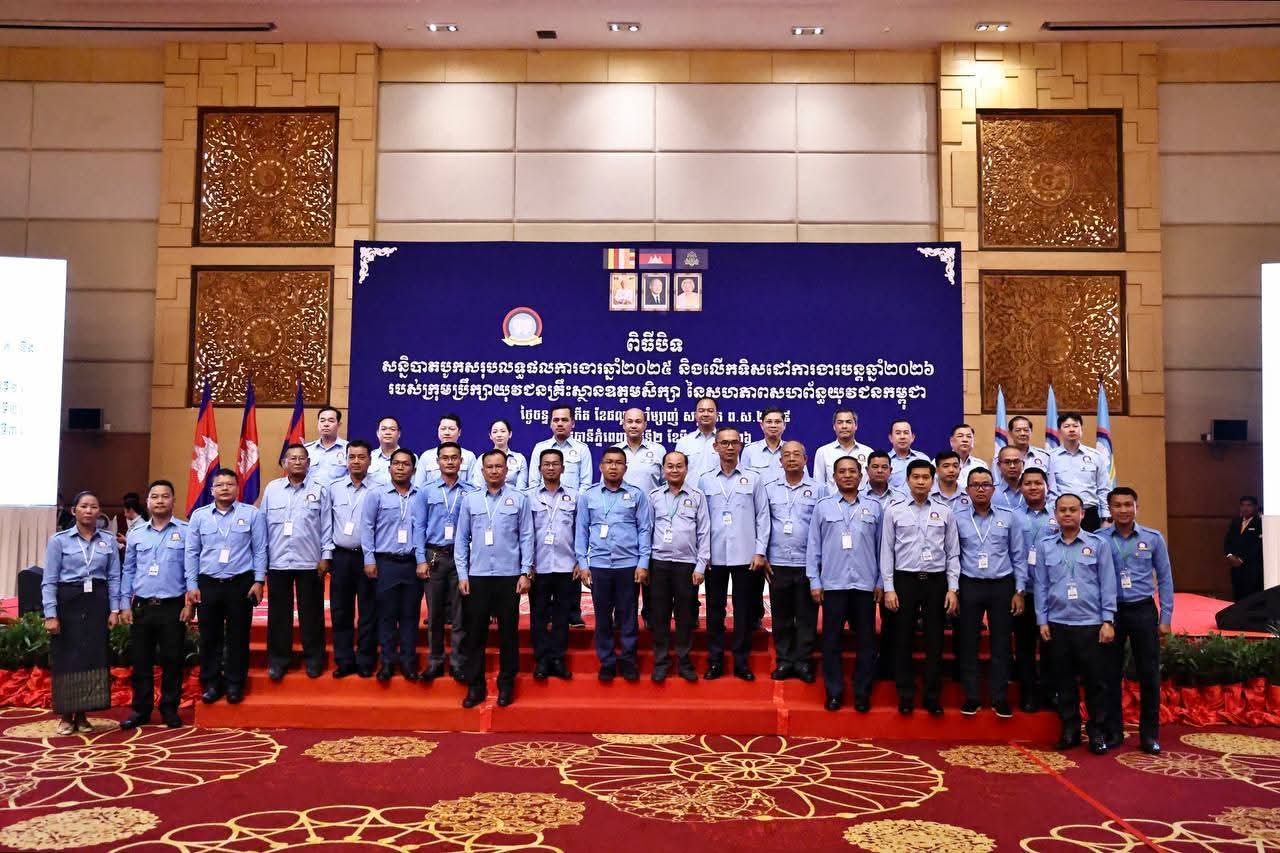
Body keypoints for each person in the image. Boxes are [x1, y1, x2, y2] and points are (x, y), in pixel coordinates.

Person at [1035, 493, 1116, 754]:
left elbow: (1108, 583)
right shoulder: (1045, 546)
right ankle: (1070, 730)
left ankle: (1096, 731)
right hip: (1058, 623)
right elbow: (1041, 585)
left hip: (1091, 624)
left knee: (1096, 682)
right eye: (1063, 510)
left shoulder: (1098, 544)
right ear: (1055, 515)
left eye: (1073, 510)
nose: (1067, 514)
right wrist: (1042, 620)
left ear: (1082, 514)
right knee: (1063, 681)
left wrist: (1108, 619)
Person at [456, 450, 535, 708]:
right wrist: (462, 574)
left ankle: (506, 684)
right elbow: (461, 539)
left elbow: (527, 536)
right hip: (477, 576)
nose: (494, 471)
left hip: (509, 576)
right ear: (482, 471)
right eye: (489, 467)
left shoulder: (519, 499)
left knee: (508, 634)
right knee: (475, 634)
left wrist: (525, 571)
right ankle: (475, 686)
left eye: (498, 466)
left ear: (506, 470)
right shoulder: (470, 500)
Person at [881, 459, 960, 715]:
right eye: (916, 477)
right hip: (905, 580)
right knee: (902, 639)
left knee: (934, 641)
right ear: (907, 480)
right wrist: (889, 587)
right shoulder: (894, 510)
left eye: (926, 477)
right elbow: (886, 551)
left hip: (936, 581)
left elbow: (953, 552)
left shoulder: (945, 511)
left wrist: (952, 588)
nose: (921, 482)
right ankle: (905, 694)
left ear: (932, 480)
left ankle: (932, 696)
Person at [1100, 486, 1173, 754]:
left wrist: (1166, 617)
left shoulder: (1153, 538)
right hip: (1111, 613)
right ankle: (1113, 731)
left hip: (1143, 609)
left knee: (1149, 674)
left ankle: (1149, 735)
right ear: (1109, 509)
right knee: (1110, 673)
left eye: (1128, 505)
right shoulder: (1099, 539)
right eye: (1117, 505)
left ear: (1136, 507)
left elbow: (1165, 578)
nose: (1123, 510)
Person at [185, 469, 267, 705]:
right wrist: (192, 585)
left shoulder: (252, 514)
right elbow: (191, 552)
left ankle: (235, 683)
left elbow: (260, 549)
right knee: (209, 636)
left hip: (240, 583)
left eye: (230, 484)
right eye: (219, 485)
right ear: (212, 490)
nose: (224, 488)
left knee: (238, 636)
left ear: (237, 488)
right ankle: (211, 683)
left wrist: (259, 580)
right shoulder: (200, 516)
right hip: (208, 583)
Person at [43, 490, 121, 735]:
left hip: (97, 602)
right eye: (84, 506)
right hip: (68, 601)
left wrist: (115, 609)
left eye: (94, 507)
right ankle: (67, 715)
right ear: (73, 510)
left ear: (99, 512)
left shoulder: (107, 540)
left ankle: (84, 714)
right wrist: (51, 614)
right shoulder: (59, 540)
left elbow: (114, 577)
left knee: (92, 657)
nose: (89, 511)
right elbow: (49, 580)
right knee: (68, 658)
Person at [808, 457, 883, 712]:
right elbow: (814, 547)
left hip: (865, 585)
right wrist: (815, 580)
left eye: (852, 471)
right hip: (833, 585)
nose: (848, 475)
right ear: (834, 477)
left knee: (866, 643)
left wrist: (881, 581)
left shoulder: (874, 507)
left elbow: (882, 548)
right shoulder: (823, 507)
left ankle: (862, 692)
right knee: (831, 642)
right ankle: (834, 692)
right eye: (842, 472)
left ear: (861, 476)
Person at [698, 426, 770, 681]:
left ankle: (741, 662)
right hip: (714, 556)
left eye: (734, 443)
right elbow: (700, 520)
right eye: (724, 443)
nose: (729, 447)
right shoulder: (704, 480)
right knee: (715, 610)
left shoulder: (754, 478)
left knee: (743, 611)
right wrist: (702, 555)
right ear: (715, 447)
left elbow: (763, 517)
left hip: (746, 556)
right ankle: (715, 661)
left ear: (741, 446)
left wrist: (760, 551)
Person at [955, 467, 1027, 718]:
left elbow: (1018, 555)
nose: (981, 489)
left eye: (985, 484)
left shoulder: (1009, 517)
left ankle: (999, 697)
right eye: (975, 485)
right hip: (969, 584)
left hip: (1002, 585)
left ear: (993, 489)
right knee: (968, 642)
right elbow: (953, 555)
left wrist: (1019, 590)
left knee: (1001, 643)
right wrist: (954, 589)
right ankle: (972, 696)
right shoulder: (957, 517)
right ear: (967, 490)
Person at [576, 447, 652, 682]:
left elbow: (644, 529)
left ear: (625, 468)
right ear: (600, 466)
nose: (613, 466)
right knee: (602, 616)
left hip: (628, 565)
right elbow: (581, 531)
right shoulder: (588, 496)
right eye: (609, 462)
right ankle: (607, 661)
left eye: (618, 463)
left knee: (628, 615)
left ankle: (628, 660)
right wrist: (583, 563)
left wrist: (643, 563)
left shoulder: (637, 495)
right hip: (599, 565)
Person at [120, 480, 189, 730]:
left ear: (173, 500)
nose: (160, 501)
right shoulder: (136, 533)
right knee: (141, 661)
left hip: (173, 605)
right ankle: (141, 709)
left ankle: (169, 708)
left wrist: (190, 603)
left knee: (172, 660)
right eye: (155, 496)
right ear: (148, 502)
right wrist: (124, 603)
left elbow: (191, 569)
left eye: (165, 496)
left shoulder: (186, 531)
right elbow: (128, 570)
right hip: (142, 605)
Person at [262, 444, 332, 681]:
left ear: (309, 463)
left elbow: (327, 525)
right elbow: (262, 526)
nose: (298, 462)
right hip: (278, 561)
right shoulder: (272, 489)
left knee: (311, 614)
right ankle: (278, 660)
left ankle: (314, 659)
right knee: (278, 615)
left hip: (310, 561)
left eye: (302, 458)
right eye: (292, 458)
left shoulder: (319, 489)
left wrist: (326, 556)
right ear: (284, 463)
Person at [361, 448, 428, 681]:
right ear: (389, 468)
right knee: (386, 615)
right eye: (396, 463)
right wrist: (369, 559)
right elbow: (367, 527)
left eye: (406, 464)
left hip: (411, 563)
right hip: (385, 562)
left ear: (414, 470)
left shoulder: (420, 496)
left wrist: (422, 561)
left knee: (410, 615)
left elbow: (422, 529)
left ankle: (408, 663)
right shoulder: (376, 494)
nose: (400, 467)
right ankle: (387, 662)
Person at [529, 405, 594, 627]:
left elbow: (586, 482)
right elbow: (533, 481)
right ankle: (546, 613)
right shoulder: (540, 448)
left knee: (570, 558)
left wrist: (575, 503)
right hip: (543, 505)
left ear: (572, 423)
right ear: (550, 423)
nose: (560, 423)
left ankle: (573, 613)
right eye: (556, 419)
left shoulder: (582, 449)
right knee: (544, 563)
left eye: (564, 420)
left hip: (571, 507)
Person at [647, 451, 709, 683]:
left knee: (685, 616)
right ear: (663, 470)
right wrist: (645, 564)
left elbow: (704, 532)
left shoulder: (697, 496)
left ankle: (684, 662)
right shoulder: (653, 496)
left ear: (686, 469)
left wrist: (701, 565)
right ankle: (661, 662)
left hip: (687, 565)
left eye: (679, 466)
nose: (674, 470)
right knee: (659, 615)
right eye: (670, 466)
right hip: (659, 563)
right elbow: (646, 530)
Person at [765, 440, 821, 683]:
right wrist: (763, 555)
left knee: (807, 616)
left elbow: (823, 528)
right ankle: (785, 661)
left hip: (808, 563)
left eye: (796, 454)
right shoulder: (769, 489)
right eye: (786, 455)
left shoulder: (819, 490)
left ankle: (803, 662)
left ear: (805, 460)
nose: (791, 458)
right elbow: (763, 524)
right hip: (778, 562)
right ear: (780, 461)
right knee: (782, 616)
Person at [422, 441, 477, 682]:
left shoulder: (471, 491)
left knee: (459, 613)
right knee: (434, 613)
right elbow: (418, 527)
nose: (450, 461)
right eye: (445, 458)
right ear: (438, 462)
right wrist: (420, 559)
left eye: (454, 457)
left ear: (461, 461)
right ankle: (435, 661)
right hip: (433, 556)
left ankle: (457, 662)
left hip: (461, 557)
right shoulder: (426, 491)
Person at [324, 439, 378, 678]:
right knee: (341, 611)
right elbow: (326, 523)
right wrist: (326, 555)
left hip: (368, 558)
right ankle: (344, 660)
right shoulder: (334, 488)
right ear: (346, 459)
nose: (356, 461)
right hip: (341, 557)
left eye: (361, 457)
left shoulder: (379, 488)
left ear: (370, 460)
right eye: (352, 457)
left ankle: (366, 659)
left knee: (369, 610)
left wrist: (373, 557)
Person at [528, 448, 579, 681]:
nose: (550, 467)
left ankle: (558, 658)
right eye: (546, 464)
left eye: (555, 464)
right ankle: (541, 659)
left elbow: (581, 531)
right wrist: (526, 565)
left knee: (561, 616)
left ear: (563, 468)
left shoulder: (575, 496)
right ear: (539, 469)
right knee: (538, 615)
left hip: (566, 566)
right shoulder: (529, 497)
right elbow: (524, 533)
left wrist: (580, 561)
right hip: (538, 566)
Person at [1015, 466, 1059, 712]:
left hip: (1052, 592)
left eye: (1038, 483)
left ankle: (1050, 692)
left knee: (1051, 645)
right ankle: (1029, 694)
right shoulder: (1012, 516)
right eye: (1028, 483)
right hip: (1024, 591)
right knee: (1024, 647)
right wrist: (1018, 590)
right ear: (1020, 488)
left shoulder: (1058, 514)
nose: (1033, 487)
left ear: (1046, 486)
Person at [1048, 413, 1110, 531]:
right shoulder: (1050, 457)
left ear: (1082, 429)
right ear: (1059, 431)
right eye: (1067, 426)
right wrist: (1052, 517)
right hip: (1062, 513)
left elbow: (1104, 489)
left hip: (1090, 513)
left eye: (1075, 426)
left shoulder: (1096, 456)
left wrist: (1106, 518)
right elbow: (1049, 491)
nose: (1072, 429)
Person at [813, 408, 873, 490]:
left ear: (856, 426)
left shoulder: (868, 452)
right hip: (832, 498)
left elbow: (872, 485)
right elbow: (818, 485)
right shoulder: (823, 452)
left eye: (848, 422)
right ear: (834, 426)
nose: (844, 426)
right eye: (840, 422)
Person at [415, 413, 477, 487]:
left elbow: (473, 487)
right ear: (438, 431)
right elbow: (418, 486)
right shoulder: (426, 456)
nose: (447, 433)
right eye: (443, 429)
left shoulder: (469, 456)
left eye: (452, 429)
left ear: (459, 432)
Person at [1224, 495, 1263, 601]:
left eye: (1249, 505)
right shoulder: (1236, 521)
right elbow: (1228, 541)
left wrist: (1242, 559)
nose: (1245, 508)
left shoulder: (1260, 522)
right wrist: (1229, 555)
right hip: (1236, 568)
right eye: (1243, 505)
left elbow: (1258, 546)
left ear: (1255, 507)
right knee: (1237, 597)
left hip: (1252, 569)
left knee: (1251, 599)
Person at [615, 407, 665, 491]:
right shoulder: (614, 450)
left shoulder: (658, 450)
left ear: (645, 425)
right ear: (623, 425)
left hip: (651, 500)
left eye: (638, 422)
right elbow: (606, 485)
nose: (633, 426)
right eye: (630, 421)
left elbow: (667, 485)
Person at [471, 418, 528, 489]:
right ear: (490, 436)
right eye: (495, 432)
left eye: (503, 431)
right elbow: (478, 486)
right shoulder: (482, 458)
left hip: (513, 495)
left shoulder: (519, 458)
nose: (499, 435)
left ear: (510, 434)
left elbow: (521, 489)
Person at [675, 397, 720, 481]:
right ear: (695, 415)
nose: (706, 414)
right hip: (690, 489)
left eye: (710, 411)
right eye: (701, 411)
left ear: (717, 415)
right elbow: (676, 473)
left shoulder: (725, 442)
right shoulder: (684, 442)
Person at [305, 406, 349, 485]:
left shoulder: (348, 448)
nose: (326, 424)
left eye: (331, 421)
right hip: (311, 492)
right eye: (322, 421)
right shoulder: (307, 449)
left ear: (339, 424)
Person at [742, 407, 788, 481]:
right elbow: (744, 480)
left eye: (777, 422)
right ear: (762, 425)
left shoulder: (792, 450)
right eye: (769, 422)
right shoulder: (750, 450)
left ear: (784, 425)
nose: (773, 425)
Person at [886, 419, 930, 491]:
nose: (902, 437)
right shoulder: (885, 461)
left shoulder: (923, 458)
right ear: (890, 438)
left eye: (906, 433)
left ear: (912, 437)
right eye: (898, 433)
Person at [367, 416, 402, 483]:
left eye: (392, 429)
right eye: (383, 429)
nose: (387, 432)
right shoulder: (369, 457)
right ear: (377, 433)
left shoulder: (409, 457)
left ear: (399, 434)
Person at [994, 446, 1027, 511]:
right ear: (999, 465)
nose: (1012, 466)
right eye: (1007, 462)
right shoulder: (991, 491)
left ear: (1023, 464)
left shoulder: (1031, 490)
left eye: (1016, 461)